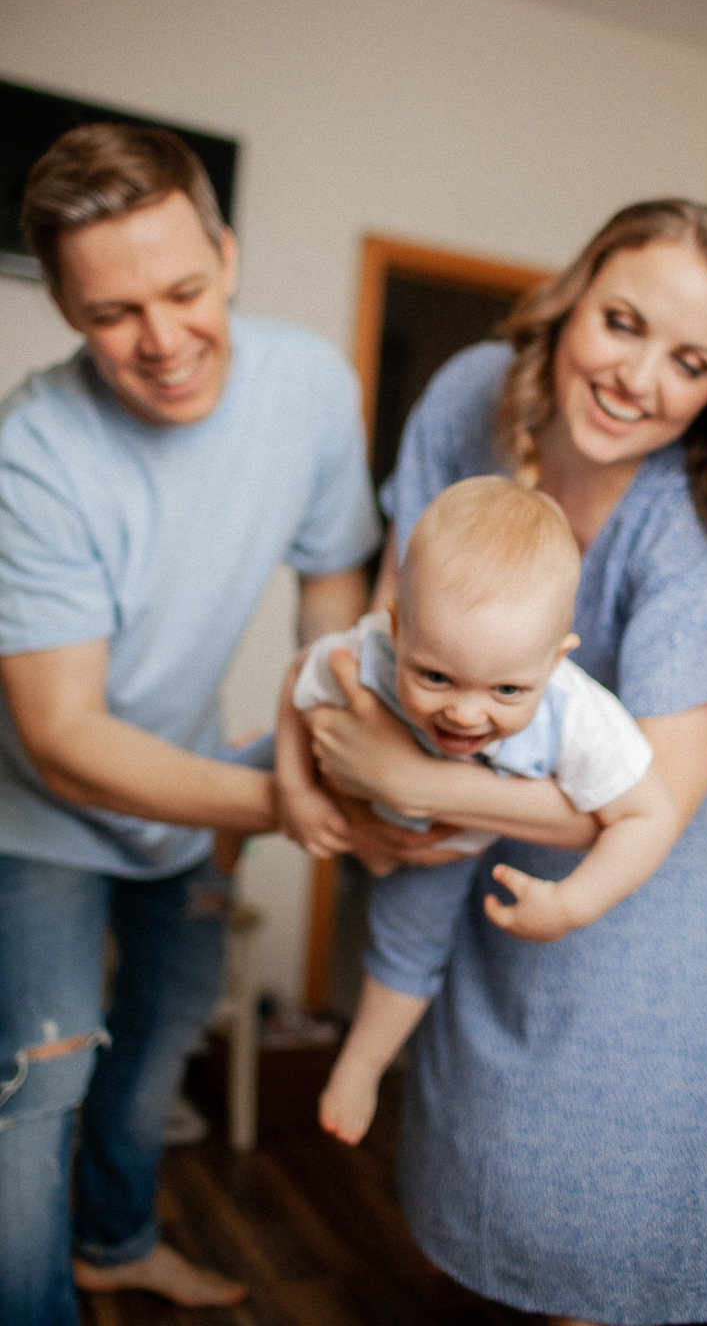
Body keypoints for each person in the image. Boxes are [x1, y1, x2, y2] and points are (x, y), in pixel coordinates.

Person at [305, 199, 707, 1326]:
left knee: (615, 1225)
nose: (639, 377)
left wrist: (414, 782)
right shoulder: (469, 397)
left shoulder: (698, 516)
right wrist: (337, 771)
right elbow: (399, 627)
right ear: (572, 296)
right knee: (498, 1182)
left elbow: (654, 798)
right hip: (502, 825)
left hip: (660, 877)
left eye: (690, 361)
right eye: (623, 322)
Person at [0, 123, 380, 1325]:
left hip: (192, 780)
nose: (163, 343)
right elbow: (62, 733)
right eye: (113, 313)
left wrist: (317, 745)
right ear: (63, 306)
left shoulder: (313, 382)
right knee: (39, 1088)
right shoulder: (30, 454)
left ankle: (115, 1242)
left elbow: (332, 599)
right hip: (36, 810)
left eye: (184, 289)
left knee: (160, 1047)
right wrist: (277, 799)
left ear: (227, 249)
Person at [276, 475, 677, 1144]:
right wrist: (293, 785)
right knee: (256, 761)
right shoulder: (370, 647)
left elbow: (650, 814)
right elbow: (300, 679)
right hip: (343, 778)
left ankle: (361, 1064)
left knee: (409, 948)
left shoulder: (577, 715)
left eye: (506, 689)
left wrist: (573, 903)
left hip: (441, 847)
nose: (464, 712)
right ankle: (223, 840)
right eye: (433, 676)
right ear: (399, 628)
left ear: (554, 661)